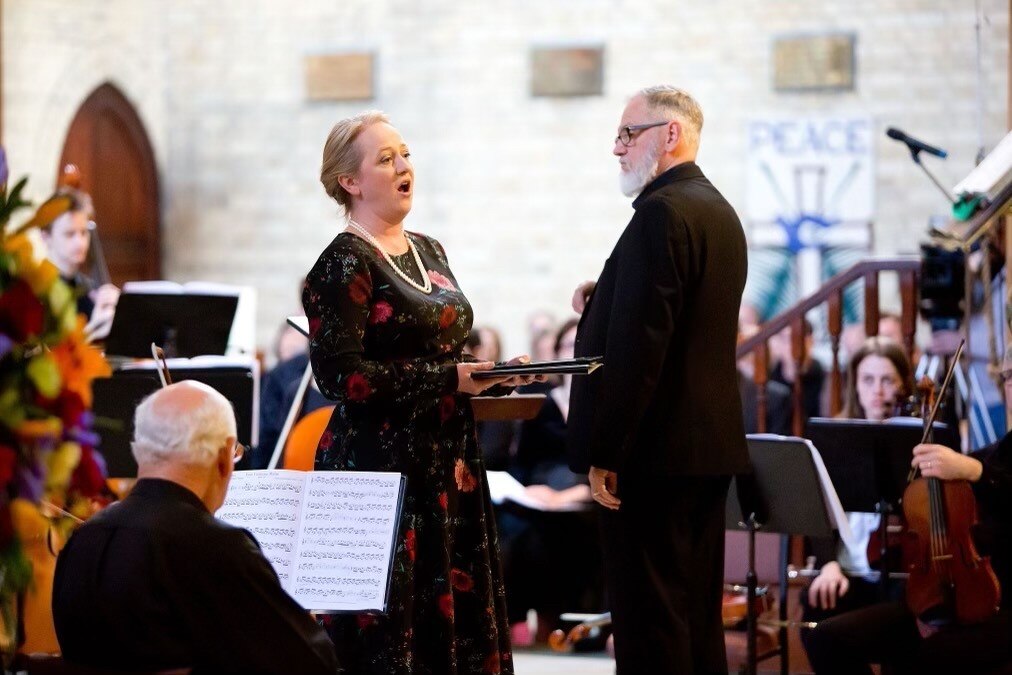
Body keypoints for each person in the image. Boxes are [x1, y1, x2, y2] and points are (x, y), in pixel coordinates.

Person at [303, 110, 537, 674]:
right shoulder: (342, 262)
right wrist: (449, 379)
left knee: (455, 626)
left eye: (404, 153)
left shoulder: (429, 250)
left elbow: (442, 354)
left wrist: (489, 373)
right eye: (385, 159)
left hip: (447, 458)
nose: (404, 166)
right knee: (389, 636)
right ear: (350, 183)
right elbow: (339, 377)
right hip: (378, 471)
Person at [567, 85, 749, 674]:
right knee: (694, 619)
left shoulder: (661, 213)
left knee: (651, 628)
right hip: (703, 454)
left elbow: (643, 348)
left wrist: (606, 448)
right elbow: (683, 317)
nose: (617, 149)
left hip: (654, 455)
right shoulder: (716, 211)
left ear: (670, 135)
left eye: (628, 133)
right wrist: (605, 299)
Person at [52, 381, 338, 674]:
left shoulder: (81, 542)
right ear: (224, 457)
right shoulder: (217, 548)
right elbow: (312, 663)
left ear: (139, 451)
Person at [803, 347, 1012, 674]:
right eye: (1010, 377)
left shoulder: (981, 465)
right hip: (962, 596)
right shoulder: (994, 452)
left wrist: (974, 471)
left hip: (1002, 607)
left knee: (923, 660)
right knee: (826, 638)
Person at [799, 337, 913, 654]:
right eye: (868, 379)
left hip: (899, 575)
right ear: (856, 386)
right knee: (815, 612)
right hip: (848, 570)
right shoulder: (834, 437)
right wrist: (829, 565)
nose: (877, 390)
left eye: (887, 380)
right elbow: (818, 513)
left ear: (903, 384)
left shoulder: (919, 439)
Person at [498, 318, 600, 645]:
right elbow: (523, 463)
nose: (574, 353)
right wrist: (528, 491)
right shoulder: (542, 403)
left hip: (588, 494)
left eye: (581, 346)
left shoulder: (603, 405)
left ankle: (572, 627)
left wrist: (577, 492)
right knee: (517, 529)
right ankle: (527, 622)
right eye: (568, 347)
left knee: (570, 531)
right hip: (543, 495)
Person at [39, 188, 119, 341]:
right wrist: (92, 329)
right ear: (45, 237)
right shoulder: (33, 291)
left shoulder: (90, 289)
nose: (80, 243)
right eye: (70, 234)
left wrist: (120, 316)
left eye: (83, 232)